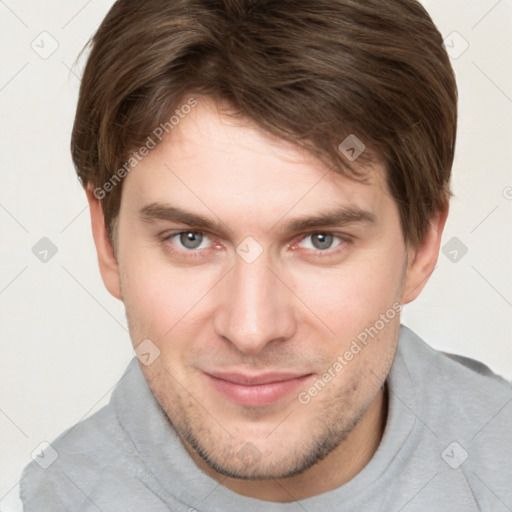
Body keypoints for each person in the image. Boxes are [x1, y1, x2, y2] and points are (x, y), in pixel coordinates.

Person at [20, 0, 512, 510]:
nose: (252, 330)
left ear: (423, 244)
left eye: (321, 239)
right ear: (107, 242)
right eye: (190, 238)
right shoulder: (58, 495)